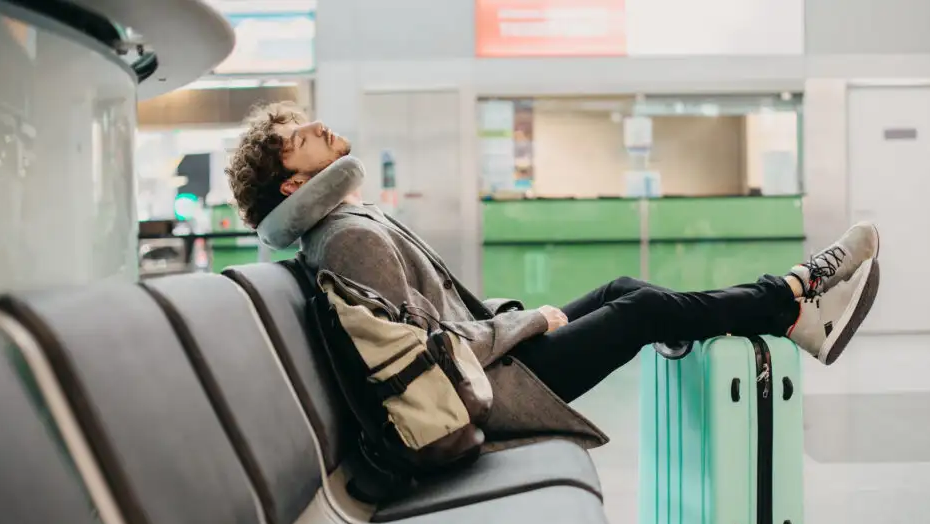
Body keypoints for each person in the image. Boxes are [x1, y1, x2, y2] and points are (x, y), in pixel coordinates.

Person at [225, 102, 880, 450]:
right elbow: (431, 355)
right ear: (294, 182)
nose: (312, 125)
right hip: (482, 393)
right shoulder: (349, 240)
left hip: (487, 365)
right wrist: (533, 321)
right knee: (640, 314)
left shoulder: (345, 226)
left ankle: (794, 311)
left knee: (624, 290)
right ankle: (795, 294)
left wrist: (517, 320)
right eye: (295, 136)